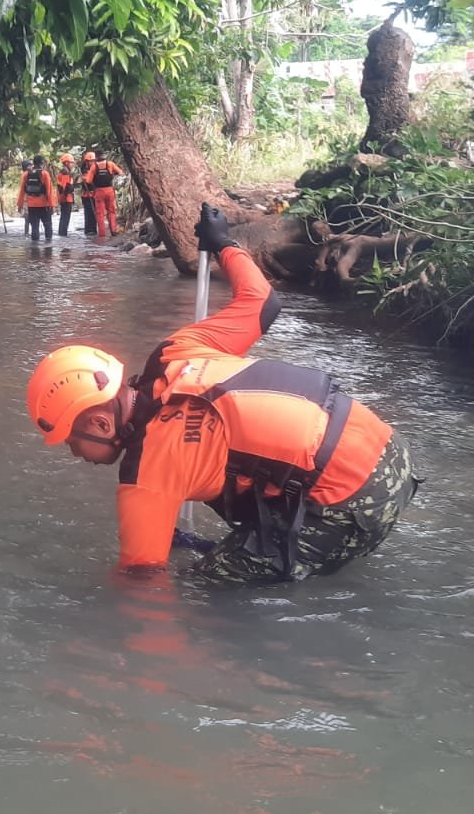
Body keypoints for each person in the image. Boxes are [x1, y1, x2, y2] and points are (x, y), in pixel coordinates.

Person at [24, 205, 418, 583]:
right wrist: (224, 244)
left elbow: (142, 580)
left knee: (206, 582)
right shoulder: (174, 352)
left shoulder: (146, 471)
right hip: (388, 445)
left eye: (71, 440)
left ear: (99, 422)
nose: (74, 453)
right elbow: (263, 302)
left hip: (356, 495)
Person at [19, 154, 57, 243]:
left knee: (34, 227)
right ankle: (49, 246)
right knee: (47, 225)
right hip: (44, 205)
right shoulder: (45, 174)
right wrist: (52, 205)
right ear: (42, 163)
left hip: (32, 205)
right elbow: (49, 191)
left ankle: (34, 247)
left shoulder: (26, 174)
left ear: (34, 163)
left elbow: (22, 191)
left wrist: (20, 205)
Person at [86, 149, 124, 238]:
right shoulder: (110, 164)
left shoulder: (94, 167)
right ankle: (113, 231)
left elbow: (88, 181)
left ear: (96, 157)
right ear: (104, 155)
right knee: (111, 211)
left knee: (100, 213)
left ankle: (102, 234)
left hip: (99, 191)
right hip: (109, 190)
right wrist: (113, 174)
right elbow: (121, 173)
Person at [55, 154, 78, 237]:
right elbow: (65, 186)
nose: (72, 164)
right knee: (65, 217)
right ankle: (63, 233)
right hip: (66, 198)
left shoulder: (65, 171)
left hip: (65, 197)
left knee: (64, 216)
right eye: (71, 163)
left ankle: (62, 233)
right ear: (66, 163)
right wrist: (65, 196)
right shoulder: (65, 172)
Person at [79, 150, 98, 235]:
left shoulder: (95, 169)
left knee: (94, 213)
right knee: (89, 214)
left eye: (93, 161)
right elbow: (88, 182)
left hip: (94, 195)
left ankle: (93, 230)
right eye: (91, 161)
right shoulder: (85, 171)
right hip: (87, 195)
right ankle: (89, 230)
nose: (92, 163)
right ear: (87, 162)